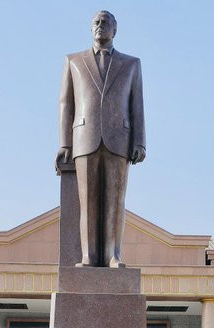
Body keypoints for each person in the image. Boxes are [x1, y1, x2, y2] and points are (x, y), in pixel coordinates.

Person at [57, 9, 145, 268]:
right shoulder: (74, 61)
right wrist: (65, 143)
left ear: (115, 29)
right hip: (84, 136)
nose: (100, 25)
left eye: (106, 22)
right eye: (96, 22)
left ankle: (113, 255)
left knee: (115, 203)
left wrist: (139, 141)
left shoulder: (131, 64)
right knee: (88, 202)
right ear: (90, 28)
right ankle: (89, 255)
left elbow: (137, 105)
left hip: (120, 139)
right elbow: (66, 103)